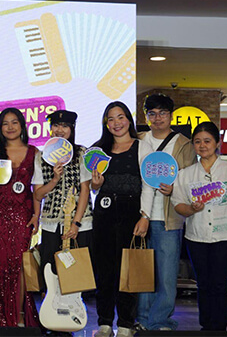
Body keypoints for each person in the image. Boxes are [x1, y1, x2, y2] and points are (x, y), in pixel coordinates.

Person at [172, 121, 227, 331]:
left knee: (219, 282)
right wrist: (192, 209)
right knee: (203, 283)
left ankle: (219, 328)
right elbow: (178, 204)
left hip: (225, 238)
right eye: (198, 141)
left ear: (217, 143)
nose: (202, 146)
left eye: (207, 141)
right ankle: (206, 326)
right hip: (196, 237)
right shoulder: (186, 174)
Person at [90, 101, 152, 337]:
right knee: (104, 270)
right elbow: (93, 186)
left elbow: (149, 185)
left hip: (132, 212)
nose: (116, 123)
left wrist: (145, 216)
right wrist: (96, 185)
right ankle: (105, 322)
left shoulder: (142, 147)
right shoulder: (98, 150)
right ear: (106, 123)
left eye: (120, 117)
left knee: (129, 270)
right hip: (104, 212)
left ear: (129, 119)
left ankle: (126, 323)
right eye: (111, 119)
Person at [135, 94, 196, 331]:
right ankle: (142, 319)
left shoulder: (184, 144)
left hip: (168, 218)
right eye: (152, 113)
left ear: (171, 116)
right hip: (140, 216)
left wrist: (175, 189)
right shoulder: (139, 140)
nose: (157, 118)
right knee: (142, 271)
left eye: (162, 113)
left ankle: (160, 321)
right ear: (146, 116)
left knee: (167, 274)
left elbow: (190, 179)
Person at [0, 107, 40, 328]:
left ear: (22, 125)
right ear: (0, 128)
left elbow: (37, 189)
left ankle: (20, 315)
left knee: (19, 265)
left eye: (14, 122)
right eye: (5, 123)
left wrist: (36, 215)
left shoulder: (34, 152)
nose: (10, 127)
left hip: (23, 215)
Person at [32, 110, 93, 289]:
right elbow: (38, 195)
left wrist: (76, 224)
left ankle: (76, 306)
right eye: (56, 125)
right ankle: (51, 306)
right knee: (50, 270)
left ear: (72, 129)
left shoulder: (81, 153)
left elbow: (85, 189)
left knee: (77, 273)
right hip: (51, 223)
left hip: (80, 222)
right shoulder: (41, 157)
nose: (60, 130)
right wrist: (54, 179)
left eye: (65, 126)